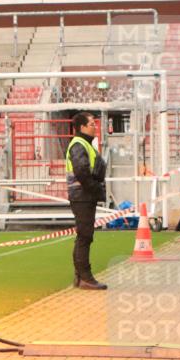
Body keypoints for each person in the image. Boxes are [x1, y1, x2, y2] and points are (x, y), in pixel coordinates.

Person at [66, 111, 108, 290]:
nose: (95, 127)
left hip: (84, 195)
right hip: (82, 195)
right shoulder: (78, 145)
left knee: (84, 236)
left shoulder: (84, 144)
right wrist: (95, 188)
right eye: (92, 124)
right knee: (85, 236)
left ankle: (80, 277)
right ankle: (85, 277)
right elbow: (82, 172)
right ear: (82, 127)